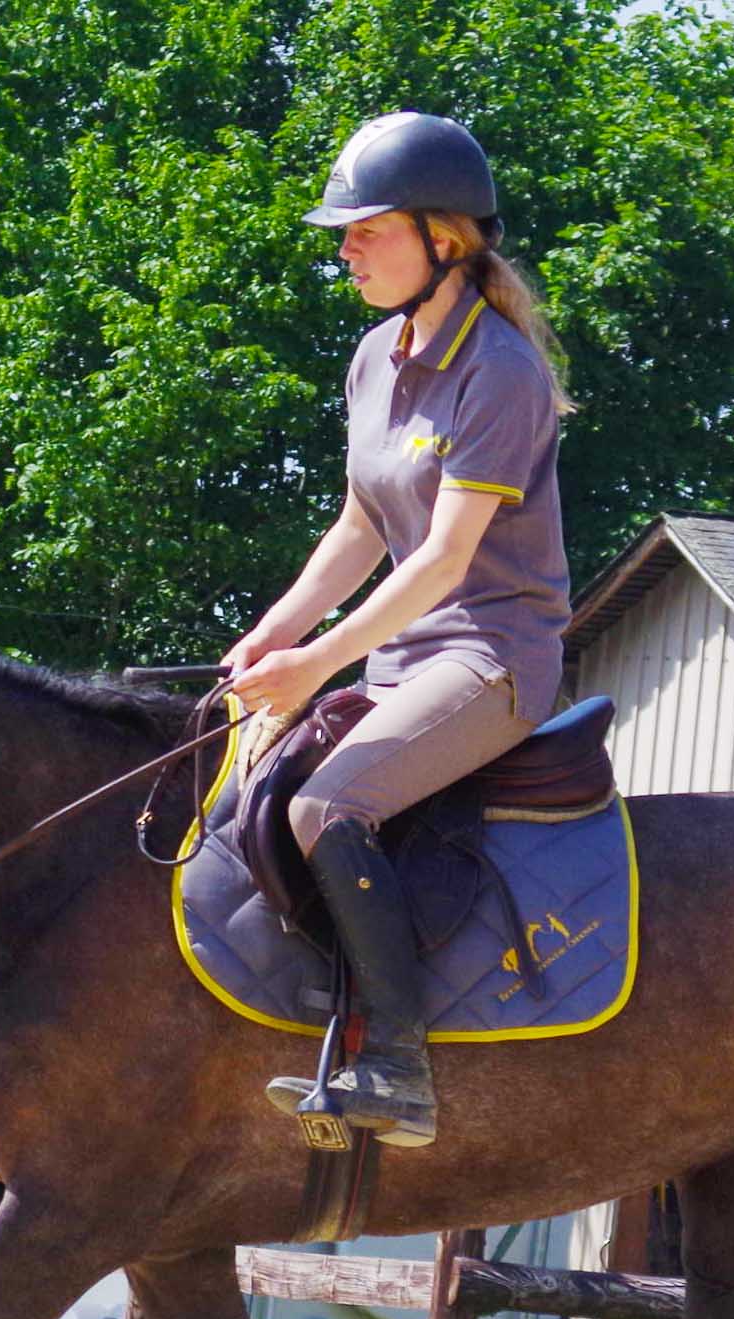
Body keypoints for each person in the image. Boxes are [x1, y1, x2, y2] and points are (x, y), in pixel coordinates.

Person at [226, 111, 574, 1148]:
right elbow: (361, 527)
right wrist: (271, 636)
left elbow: (442, 562)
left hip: (491, 657)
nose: (345, 250)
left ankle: (399, 1072)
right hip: (400, 653)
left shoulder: (499, 373)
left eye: (366, 231)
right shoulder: (378, 354)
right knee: (243, 782)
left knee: (330, 807)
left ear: (446, 238)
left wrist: (318, 664)